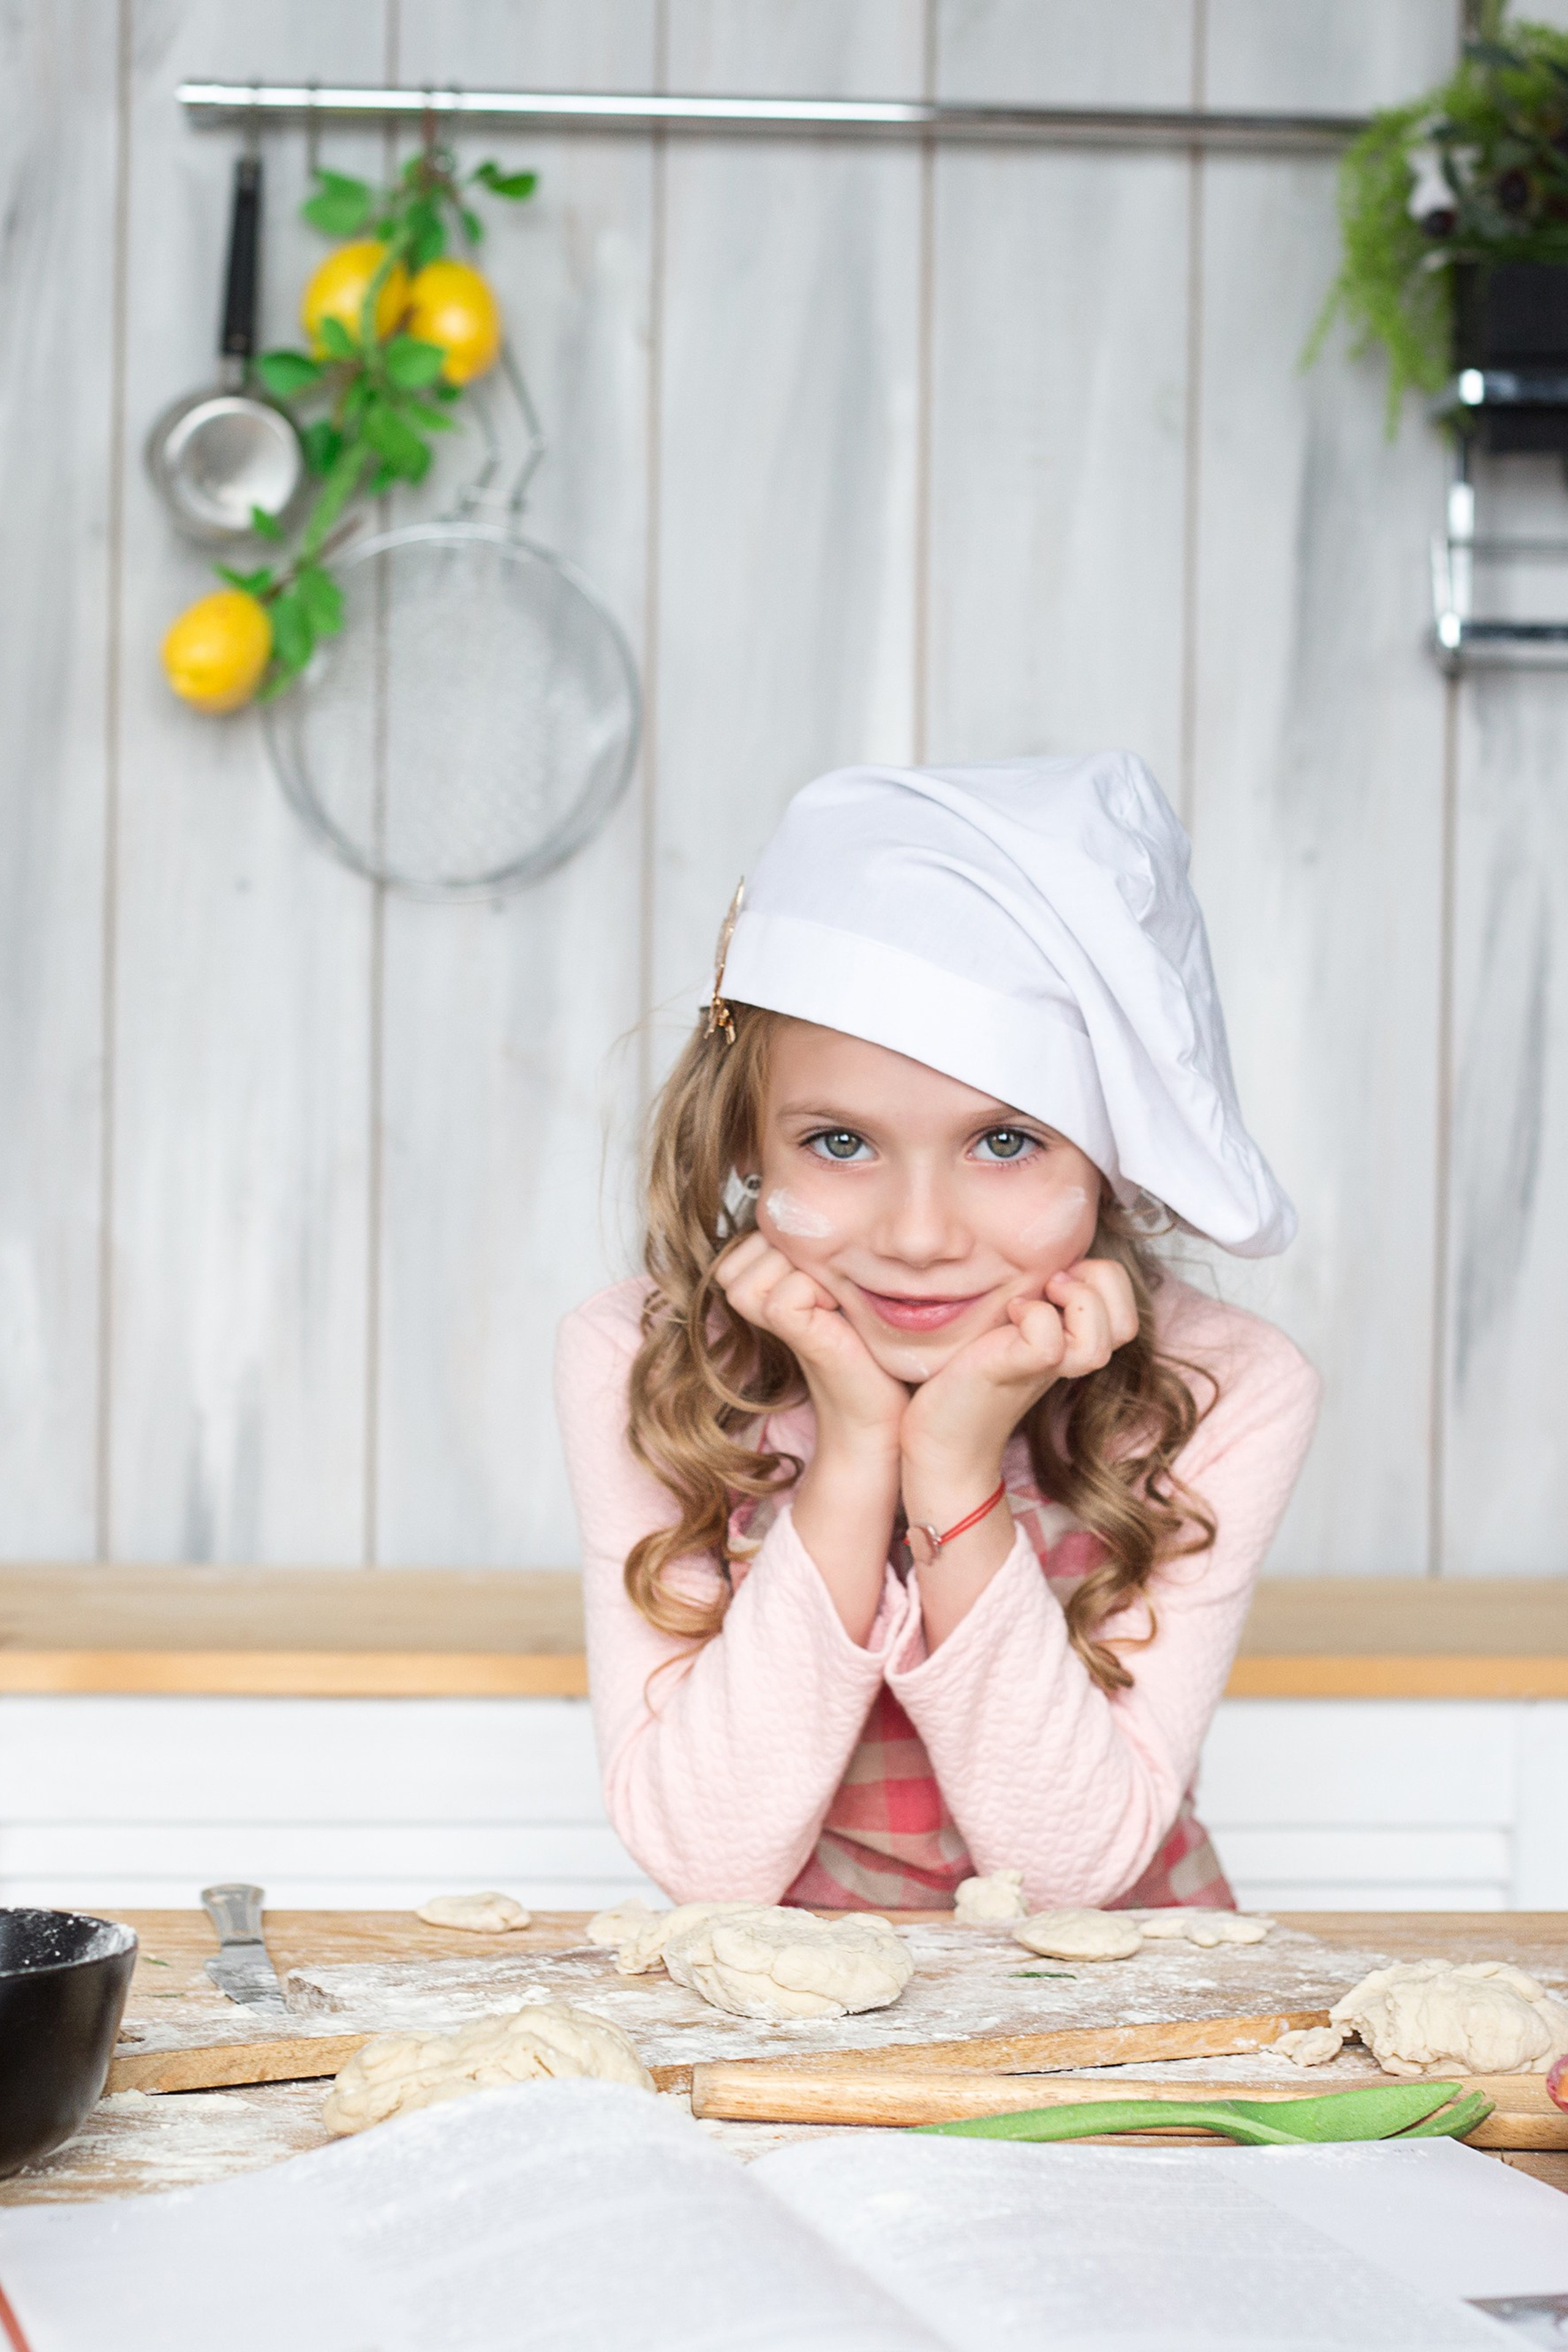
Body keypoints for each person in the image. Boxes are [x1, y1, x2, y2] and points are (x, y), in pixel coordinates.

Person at [556, 753, 1319, 1912]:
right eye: (841, 1143)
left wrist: (955, 1463)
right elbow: (708, 1863)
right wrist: (858, 1451)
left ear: (1109, 1159)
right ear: (747, 1138)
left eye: (1005, 1142)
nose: (918, 1237)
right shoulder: (639, 1361)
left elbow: (1068, 1873)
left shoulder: (1227, 1388)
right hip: (797, 2029)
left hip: (1121, 2026)